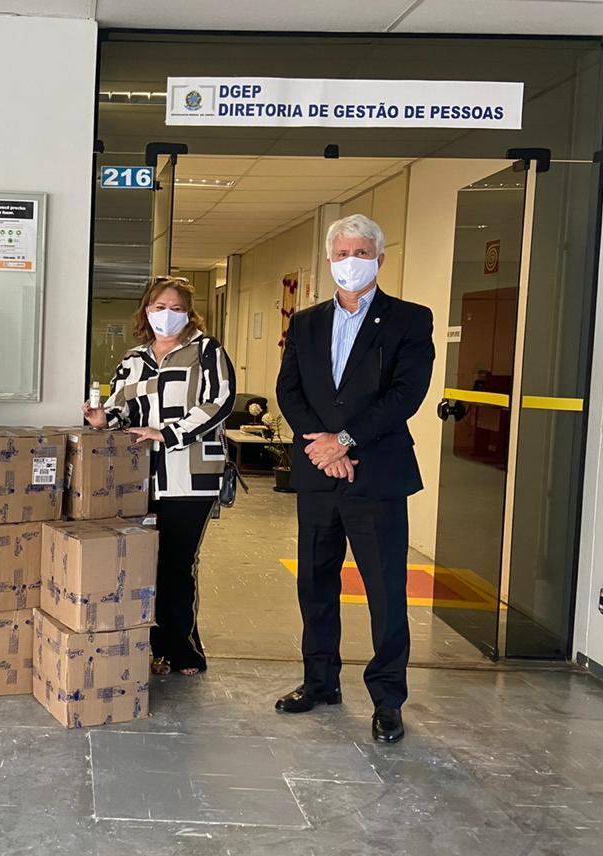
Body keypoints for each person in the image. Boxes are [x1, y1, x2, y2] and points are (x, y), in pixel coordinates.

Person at [274, 213, 434, 744]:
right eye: (342, 253)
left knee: (385, 590)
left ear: (380, 259)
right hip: (319, 476)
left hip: (376, 477)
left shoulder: (410, 320)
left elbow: (405, 395)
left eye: (361, 253)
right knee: (315, 583)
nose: (351, 262)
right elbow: (290, 391)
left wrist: (343, 441)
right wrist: (323, 448)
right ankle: (319, 682)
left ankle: (388, 699)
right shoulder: (306, 323)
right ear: (328, 260)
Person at [83, 276, 235, 676]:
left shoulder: (206, 351)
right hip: (140, 478)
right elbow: (122, 406)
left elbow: (219, 402)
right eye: (159, 307)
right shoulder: (134, 359)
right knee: (144, 563)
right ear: (146, 312)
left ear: (189, 312)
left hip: (191, 475)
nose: (167, 315)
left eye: (176, 308)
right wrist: (103, 418)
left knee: (177, 562)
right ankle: (151, 649)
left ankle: (183, 650)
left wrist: (167, 433)